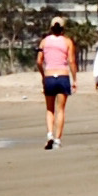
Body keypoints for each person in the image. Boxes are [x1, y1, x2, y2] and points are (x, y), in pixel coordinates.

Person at [36, 17, 76, 149]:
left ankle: (49, 135)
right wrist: (74, 79)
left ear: (51, 27)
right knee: (60, 110)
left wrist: (43, 74)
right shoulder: (67, 42)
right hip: (63, 75)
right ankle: (58, 140)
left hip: (49, 77)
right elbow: (71, 61)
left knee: (49, 109)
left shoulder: (44, 42)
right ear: (63, 28)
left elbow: (39, 61)